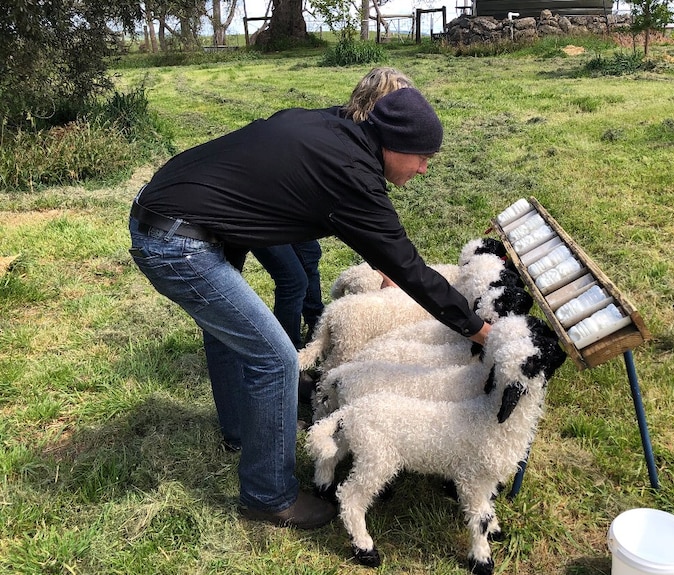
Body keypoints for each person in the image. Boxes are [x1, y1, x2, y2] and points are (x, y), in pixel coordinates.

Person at [128, 87, 492, 529]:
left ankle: (242, 431)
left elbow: (261, 180)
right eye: (421, 157)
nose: (424, 168)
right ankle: (268, 496)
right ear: (392, 144)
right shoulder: (351, 173)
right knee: (277, 359)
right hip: (177, 241)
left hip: (168, 209)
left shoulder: (337, 129)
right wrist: (479, 330)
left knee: (228, 332)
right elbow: (411, 269)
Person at [204, 68, 417, 442]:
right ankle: (290, 362)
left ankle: (310, 335)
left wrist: (386, 261)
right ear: (373, 108)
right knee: (292, 280)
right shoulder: (343, 146)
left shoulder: (349, 135)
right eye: (398, 109)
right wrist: (390, 264)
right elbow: (361, 212)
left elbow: (363, 217)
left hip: (281, 207)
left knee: (309, 258)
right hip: (255, 211)